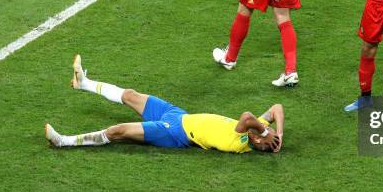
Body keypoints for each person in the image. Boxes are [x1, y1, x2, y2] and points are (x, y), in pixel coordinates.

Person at [45, 55, 283, 153]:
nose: (260, 140)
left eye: (262, 141)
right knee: (129, 94)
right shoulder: (258, 130)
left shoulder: (242, 140)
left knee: (118, 131)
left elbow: (246, 116)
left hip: (176, 133)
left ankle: (63, 141)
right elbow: (277, 108)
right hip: (177, 115)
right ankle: (84, 83)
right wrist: (277, 134)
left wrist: (265, 130)